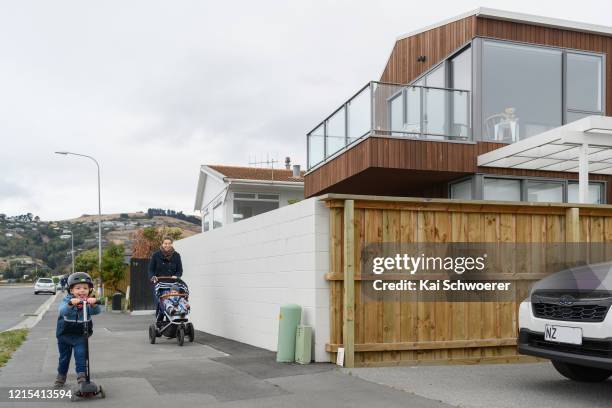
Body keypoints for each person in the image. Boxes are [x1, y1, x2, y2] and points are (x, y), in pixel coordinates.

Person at [54, 272, 101, 388]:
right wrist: (70, 304)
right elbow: (62, 311)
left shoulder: (88, 301)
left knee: (81, 355)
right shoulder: (67, 300)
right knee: (64, 357)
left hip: (80, 335)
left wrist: (94, 303)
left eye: (85, 288)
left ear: (90, 290)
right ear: (71, 290)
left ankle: (82, 378)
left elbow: (97, 311)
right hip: (64, 334)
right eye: (78, 288)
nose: (82, 291)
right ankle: (61, 376)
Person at [148, 237, 183, 321]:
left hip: (172, 284)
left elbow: (180, 270)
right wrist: (153, 277)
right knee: (161, 303)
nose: (167, 245)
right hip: (159, 283)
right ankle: (159, 321)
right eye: (165, 243)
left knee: (173, 301)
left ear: (172, 244)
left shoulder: (176, 255)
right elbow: (151, 270)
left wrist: (177, 276)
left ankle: (171, 319)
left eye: (169, 243)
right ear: (162, 244)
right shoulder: (156, 255)